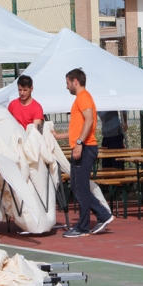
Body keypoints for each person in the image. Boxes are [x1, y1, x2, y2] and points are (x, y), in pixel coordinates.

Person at [52, 68, 114, 237]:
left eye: (67, 83)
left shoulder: (83, 97)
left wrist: (79, 143)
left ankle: (84, 225)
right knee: (77, 185)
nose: (67, 87)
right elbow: (78, 128)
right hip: (82, 146)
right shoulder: (80, 99)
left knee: (80, 186)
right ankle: (101, 216)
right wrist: (59, 136)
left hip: (85, 147)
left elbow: (89, 120)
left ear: (75, 82)